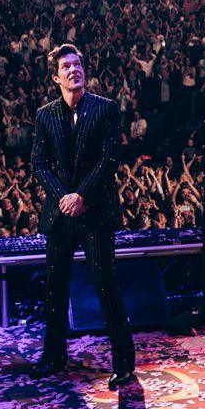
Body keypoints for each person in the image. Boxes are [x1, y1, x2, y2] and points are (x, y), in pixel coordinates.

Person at [30, 44, 135, 389]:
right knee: (55, 288)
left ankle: (123, 363)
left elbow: (109, 159)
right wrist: (64, 197)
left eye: (78, 63)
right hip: (61, 214)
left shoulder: (105, 109)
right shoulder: (45, 115)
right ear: (55, 76)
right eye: (66, 66)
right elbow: (39, 163)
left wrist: (82, 195)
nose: (74, 69)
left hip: (94, 212)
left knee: (107, 286)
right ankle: (54, 356)